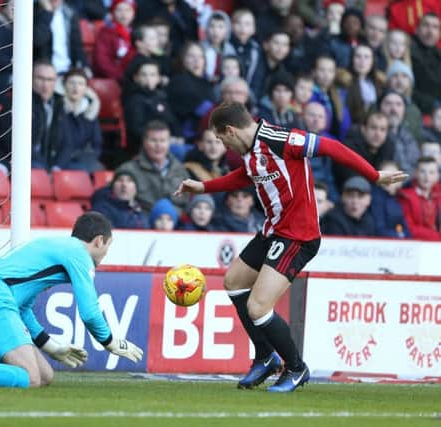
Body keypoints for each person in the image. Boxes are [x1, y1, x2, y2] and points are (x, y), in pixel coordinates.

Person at [174, 102, 407, 392]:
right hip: (272, 231)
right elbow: (247, 175)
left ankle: (296, 368)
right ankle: (265, 357)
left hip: (298, 236)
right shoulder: (248, 152)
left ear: (231, 130)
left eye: (221, 139)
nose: (223, 146)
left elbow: (331, 147)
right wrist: (204, 187)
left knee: (258, 307)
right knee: (233, 282)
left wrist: (373, 174)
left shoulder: (281, 139)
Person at [0, 212, 143, 388]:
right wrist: (110, 342)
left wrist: (51, 347)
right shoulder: (79, 255)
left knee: (44, 376)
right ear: (99, 240)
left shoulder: (56, 247)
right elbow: (89, 312)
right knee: (30, 377)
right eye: (108, 246)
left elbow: (24, 308)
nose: (106, 253)